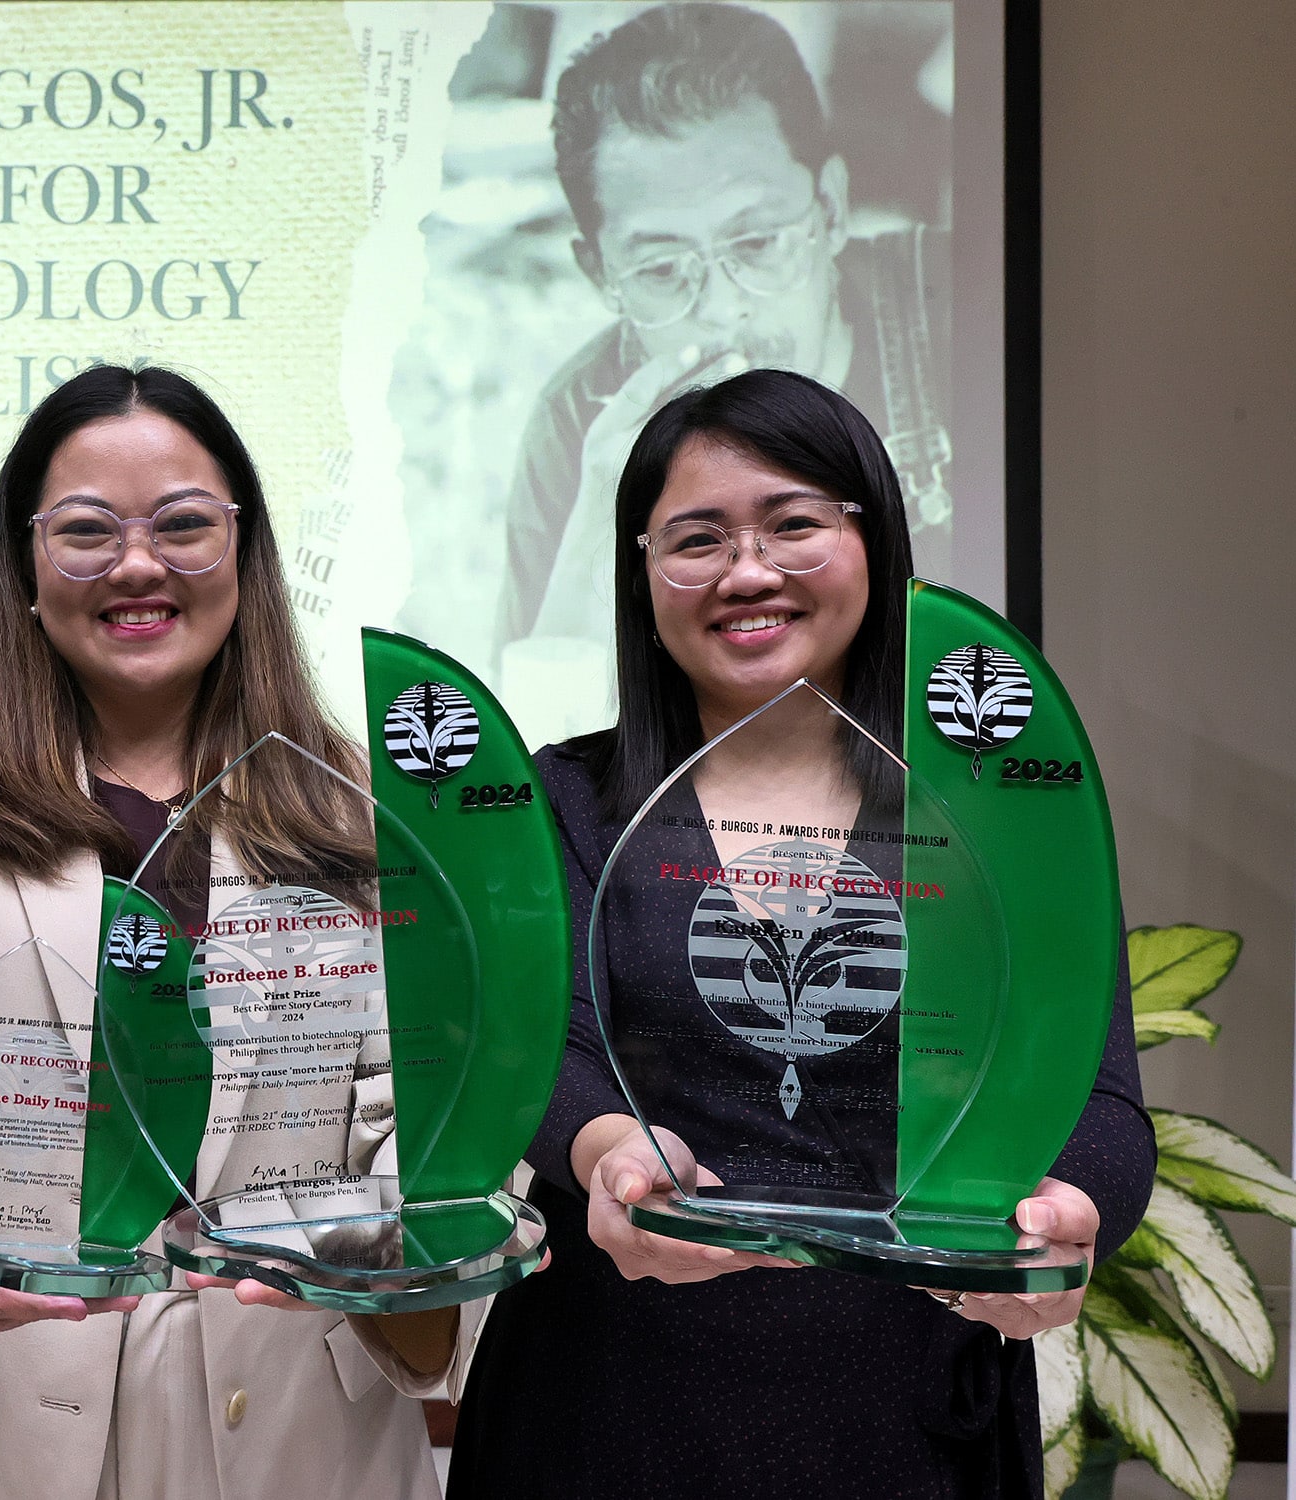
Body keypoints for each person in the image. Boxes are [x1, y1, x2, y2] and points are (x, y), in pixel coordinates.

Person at [447, 369, 1152, 1498]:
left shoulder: (999, 820)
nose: (748, 572)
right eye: (697, 539)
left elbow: (1100, 1102)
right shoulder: (563, 798)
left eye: (793, 525)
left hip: (906, 1410)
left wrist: (1072, 1213)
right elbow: (545, 1046)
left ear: (874, 536)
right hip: (609, 1401)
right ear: (643, 571)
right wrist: (609, 1153)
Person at [0, 364, 477, 1500]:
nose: (140, 565)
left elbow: (423, 1106)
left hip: (295, 1409)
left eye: (186, 527)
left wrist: (400, 1254)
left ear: (244, 555)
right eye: (88, 532)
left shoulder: (360, 802)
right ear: (26, 565)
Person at [493, 2, 953, 690]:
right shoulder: (578, 423)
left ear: (829, 209)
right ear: (600, 275)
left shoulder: (959, 313)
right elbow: (523, 767)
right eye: (660, 268)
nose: (723, 306)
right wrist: (598, 525)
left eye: (758, 243)